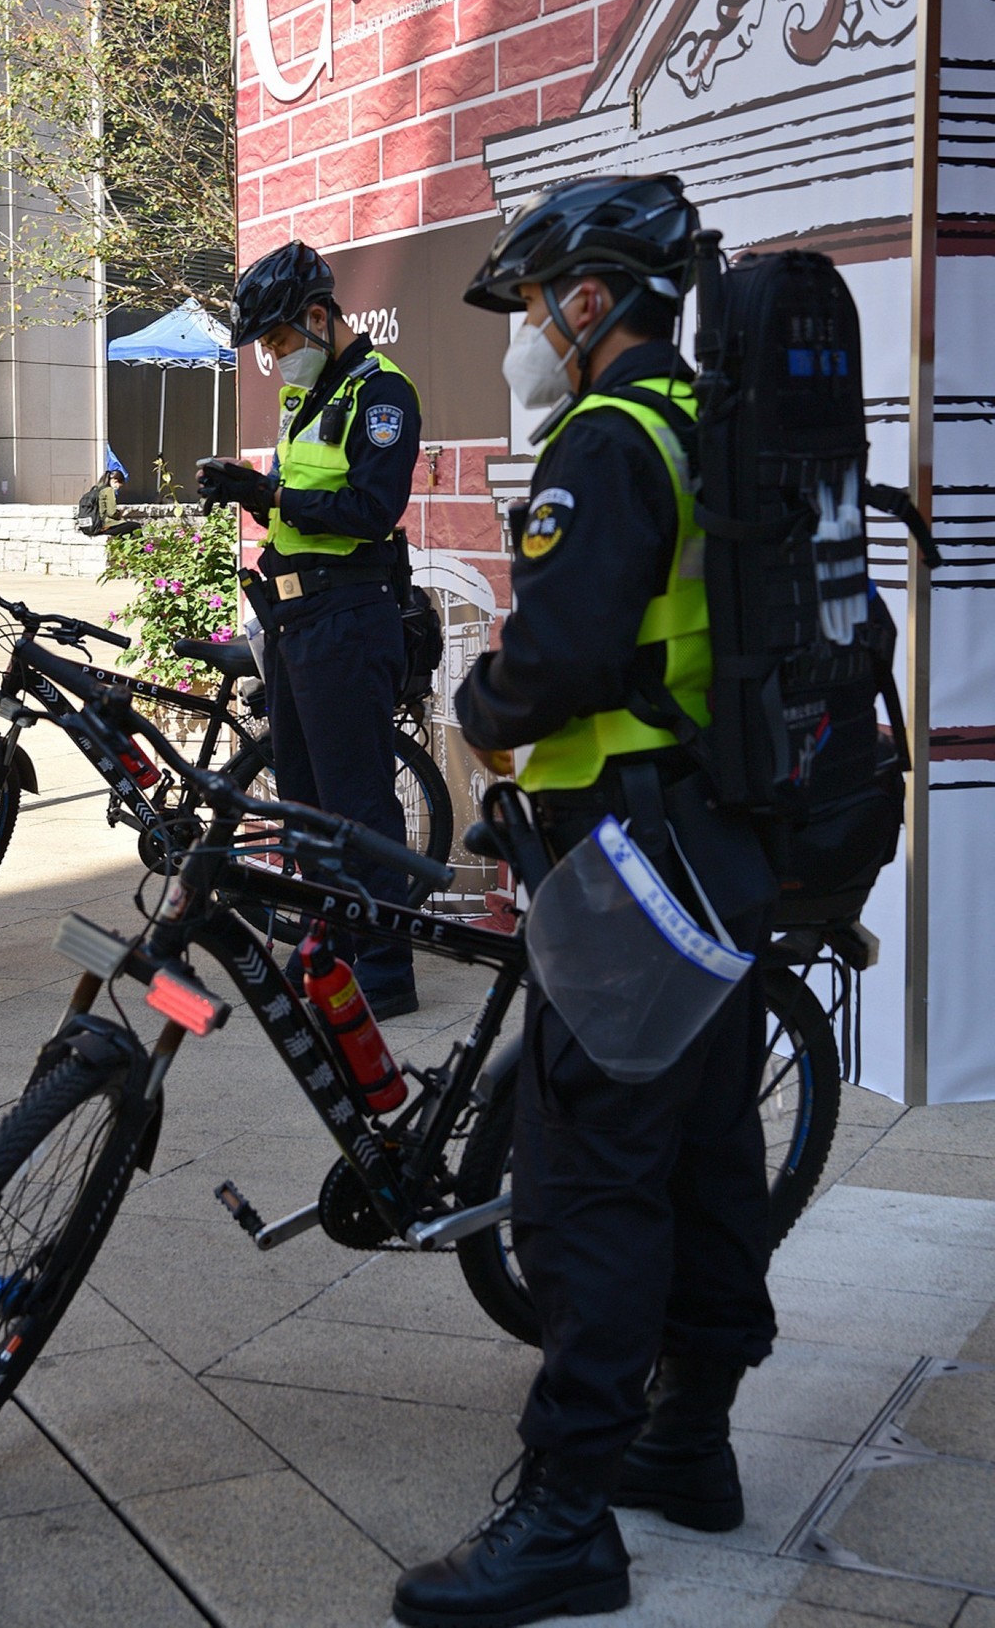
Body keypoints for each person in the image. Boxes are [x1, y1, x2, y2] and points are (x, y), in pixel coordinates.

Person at [392, 175, 777, 1626]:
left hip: (629, 861)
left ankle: (563, 1519)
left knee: (585, 1183)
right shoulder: (707, 423)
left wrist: (477, 708)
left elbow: (550, 664)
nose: (518, 340)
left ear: (592, 301)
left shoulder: (606, 443)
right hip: (730, 848)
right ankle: (692, 1441)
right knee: (704, 1150)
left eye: (528, 309)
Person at [197, 242, 422, 1020]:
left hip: (348, 620)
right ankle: (330, 947)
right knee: (301, 800)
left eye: (280, 340)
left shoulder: (381, 393)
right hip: (295, 619)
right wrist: (250, 494)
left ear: (320, 316)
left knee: (357, 802)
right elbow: (298, 505)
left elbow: (369, 511)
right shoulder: (308, 401)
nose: (274, 357)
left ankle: (387, 968)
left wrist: (273, 495)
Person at [96, 448, 142, 537]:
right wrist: (119, 513)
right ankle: (141, 550)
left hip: (94, 525)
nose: (117, 488)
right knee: (136, 526)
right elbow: (111, 513)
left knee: (127, 530)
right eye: (119, 485)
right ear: (115, 481)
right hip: (105, 526)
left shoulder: (96, 489)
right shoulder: (108, 490)